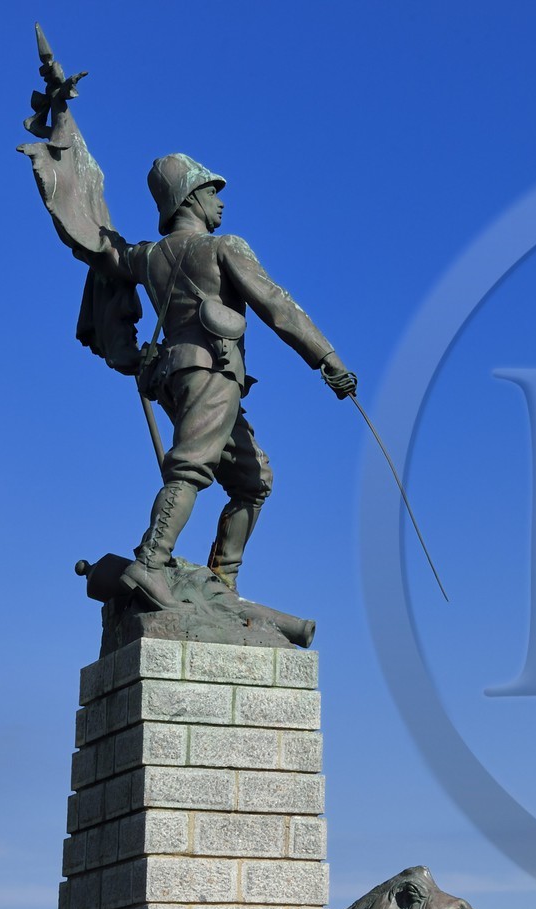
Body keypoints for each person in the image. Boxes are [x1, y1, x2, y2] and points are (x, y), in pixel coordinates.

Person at [89, 153, 357, 608]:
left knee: (253, 480)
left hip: (173, 376)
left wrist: (126, 352)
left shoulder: (145, 257)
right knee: (191, 466)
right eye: (212, 192)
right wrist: (326, 357)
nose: (221, 203)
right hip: (212, 370)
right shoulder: (223, 246)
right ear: (189, 198)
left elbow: (102, 262)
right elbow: (277, 306)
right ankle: (151, 562)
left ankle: (222, 581)